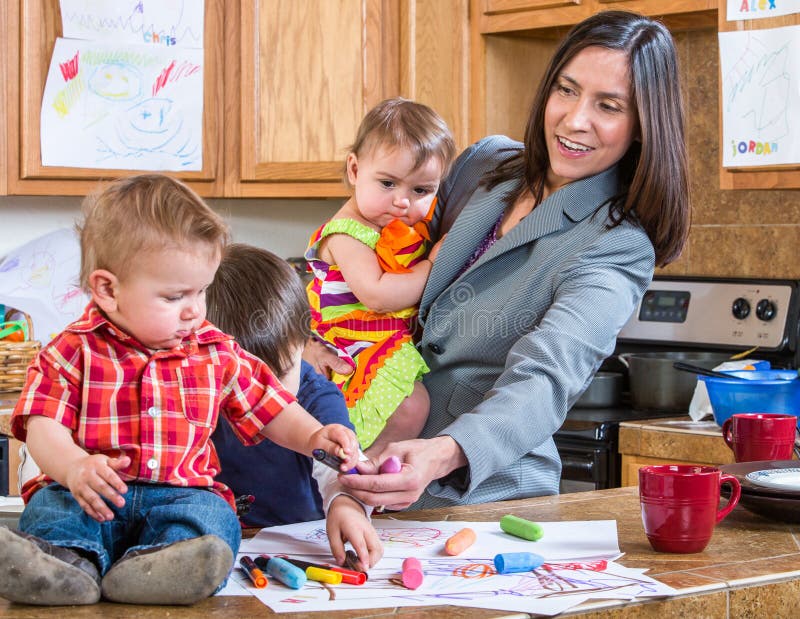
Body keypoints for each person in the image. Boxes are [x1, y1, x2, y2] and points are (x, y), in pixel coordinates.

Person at [307, 11, 691, 510]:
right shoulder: (484, 164)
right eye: (567, 90)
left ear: (642, 126)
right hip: (366, 457)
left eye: (609, 106)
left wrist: (443, 453)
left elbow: (545, 380)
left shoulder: (616, 244)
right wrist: (306, 340)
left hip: (479, 498)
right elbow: (367, 226)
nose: (575, 119)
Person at [0, 174, 362, 607]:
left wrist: (313, 436)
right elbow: (42, 427)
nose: (195, 309)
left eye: (202, 291)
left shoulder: (215, 350)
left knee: (212, 518)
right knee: (53, 511)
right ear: (108, 290)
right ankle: (65, 566)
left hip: (179, 496)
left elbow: (271, 408)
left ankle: (158, 568)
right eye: (174, 297)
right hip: (91, 495)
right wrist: (74, 466)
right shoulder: (69, 351)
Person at [205, 243, 382, 565]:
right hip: (219, 547)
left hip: (298, 544)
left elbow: (338, 464)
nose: (260, 398)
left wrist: (346, 504)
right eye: (239, 385)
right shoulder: (197, 393)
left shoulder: (319, 398)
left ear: (305, 341)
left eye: (279, 376)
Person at [305, 97, 456, 452]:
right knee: (412, 404)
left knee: (413, 404)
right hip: (352, 347)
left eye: (420, 190)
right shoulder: (346, 232)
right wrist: (431, 267)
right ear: (355, 170)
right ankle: (365, 465)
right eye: (388, 183)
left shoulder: (395, 227)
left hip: (380, 342)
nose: (403, 201)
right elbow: (376, 294)